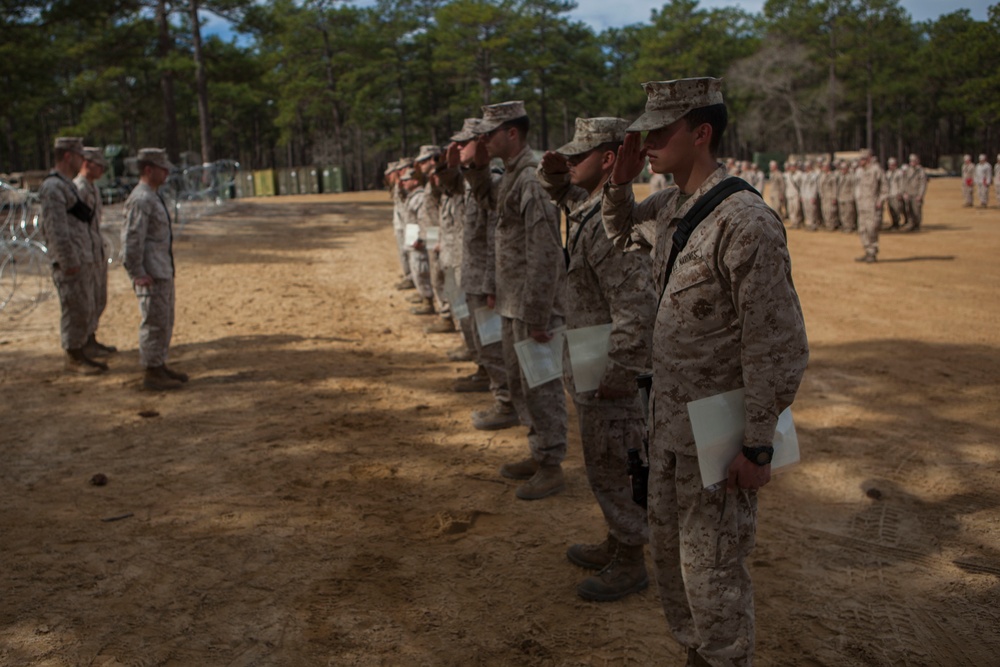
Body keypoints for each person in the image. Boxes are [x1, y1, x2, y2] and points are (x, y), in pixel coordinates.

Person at [603, 77, 809, 666]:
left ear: (701, 133)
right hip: (669, 428)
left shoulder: (745, 221)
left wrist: (759, 445)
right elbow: (619, 233)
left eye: (660, 131)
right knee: (675, 564)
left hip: (718, 440)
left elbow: (778, 344)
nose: (646, 143)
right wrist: (618, 184)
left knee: (715, 575)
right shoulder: (672, 208)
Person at [537, 117, 654, 601]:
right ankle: (617, 537)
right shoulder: (592, 209)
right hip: (591, 360)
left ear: (609, 160)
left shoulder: (612, 226)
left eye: (578, 156)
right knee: (603, 464)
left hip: (610, 369)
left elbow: (636, 305)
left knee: (619, 464)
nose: (569, 162)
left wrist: (621, 372)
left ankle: (631, 558)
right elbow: (565, 198)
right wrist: (556, 175)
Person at [465, 100, 569, 500]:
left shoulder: (531, 178)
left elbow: (545, 252)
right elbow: (487, 203)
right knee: (522, 385)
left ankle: (552, 464)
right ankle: (538, 451)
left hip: (531, 307)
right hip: (513, 303)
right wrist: (474, 166)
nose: (484, 140)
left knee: (541, 386)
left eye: (490, 134)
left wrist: (539, 313)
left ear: (512, 133)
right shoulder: (510, 175)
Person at [442, 119, 520, 428]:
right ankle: (499, 395)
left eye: (465, 143)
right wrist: (450, 167)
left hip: (486, 283)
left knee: (494, 346)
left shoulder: (496, 182)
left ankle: (506, 404)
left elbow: (493, 240)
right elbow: (448, 191)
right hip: (472, 278)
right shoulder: (473, 181)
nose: (458, 148)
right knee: (486, 345)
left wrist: (491, 286)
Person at [122, 148, 189, 390]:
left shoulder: (152, 196)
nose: (167, 171)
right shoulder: (141, 199)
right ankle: (152, 372)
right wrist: (137, 272)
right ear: (148, 169)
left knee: (163, 320)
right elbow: (132, 239)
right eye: (162, 168)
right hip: (150, 274)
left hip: (161, 270)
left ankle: (158, 364)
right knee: (153, 322)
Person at [39, 137, 105, 374]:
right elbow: (55, 230)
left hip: (81, 256)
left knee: (84, 307)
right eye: (79, 156)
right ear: (68, 156)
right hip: (71, 262)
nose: (82, 161)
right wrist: (68, 261)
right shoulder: (53, 188)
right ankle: (74, 356)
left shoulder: (65, 185)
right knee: (74, 309)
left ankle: (81, 351)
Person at [74, 147, 117, 358]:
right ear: (86, 163)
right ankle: (82, 344)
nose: (102, 170)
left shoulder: (92, 188)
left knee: (98, 298)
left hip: (95, 250)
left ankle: (91, 339)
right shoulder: (78, 189)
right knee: (86, 300)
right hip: (84, 253)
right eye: (98, 165)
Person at [854, 149, 886, 263]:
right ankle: (867, 251)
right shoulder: (859, 172)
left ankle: (872, 252)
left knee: (871, 229)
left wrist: (880, 201)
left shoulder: (876, 170)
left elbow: (884, 187)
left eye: (862, 159)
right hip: (861, 205)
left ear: (868, 159)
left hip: (872, 205)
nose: (860, 161)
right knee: (862, 229)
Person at [901, 154, 928, 232]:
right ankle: (910, 224)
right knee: (909, 210)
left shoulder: (920, 171)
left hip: (916, 193)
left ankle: (917, 225)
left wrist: (920, 195)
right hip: (908, 193)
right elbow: (904, 182)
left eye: (913, 161)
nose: (912, 162)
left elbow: (923, 184)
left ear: (917, 161)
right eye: (911, 161)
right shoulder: (908, 170)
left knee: (916, 211)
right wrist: (904, 192)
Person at [836, 160, 857, 233]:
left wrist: (853, 197)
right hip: (841, 197)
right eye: (841, 168)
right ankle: (845, 226)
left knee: (849, 213)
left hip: (849, 197)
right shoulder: (840, 176)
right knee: (842, 213)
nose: (843, 170)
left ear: (847, 168)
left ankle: (849, 227)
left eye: (844, 168)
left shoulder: (851, 177)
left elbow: (854, 188)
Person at [884, 157, 906, 229]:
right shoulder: (888, 173)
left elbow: (901, 184)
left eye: (892, 165)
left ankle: (897, 223)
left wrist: (900, 193)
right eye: (889, 165)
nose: (890, 166)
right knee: (891, 210)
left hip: (896, 194)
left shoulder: (899, 173)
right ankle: (894, 223)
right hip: (890, 194)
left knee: (897, 209)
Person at [818, 160, 839, 231]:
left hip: (830, 196)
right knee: (825, 211)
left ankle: (831, 225)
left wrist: (834, 197)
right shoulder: (822, 176)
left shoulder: (832, 176)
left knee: (831, 211)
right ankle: (827, 224)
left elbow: (834, 188)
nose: (823, 168)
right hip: (824, 196)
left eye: (824, 166)